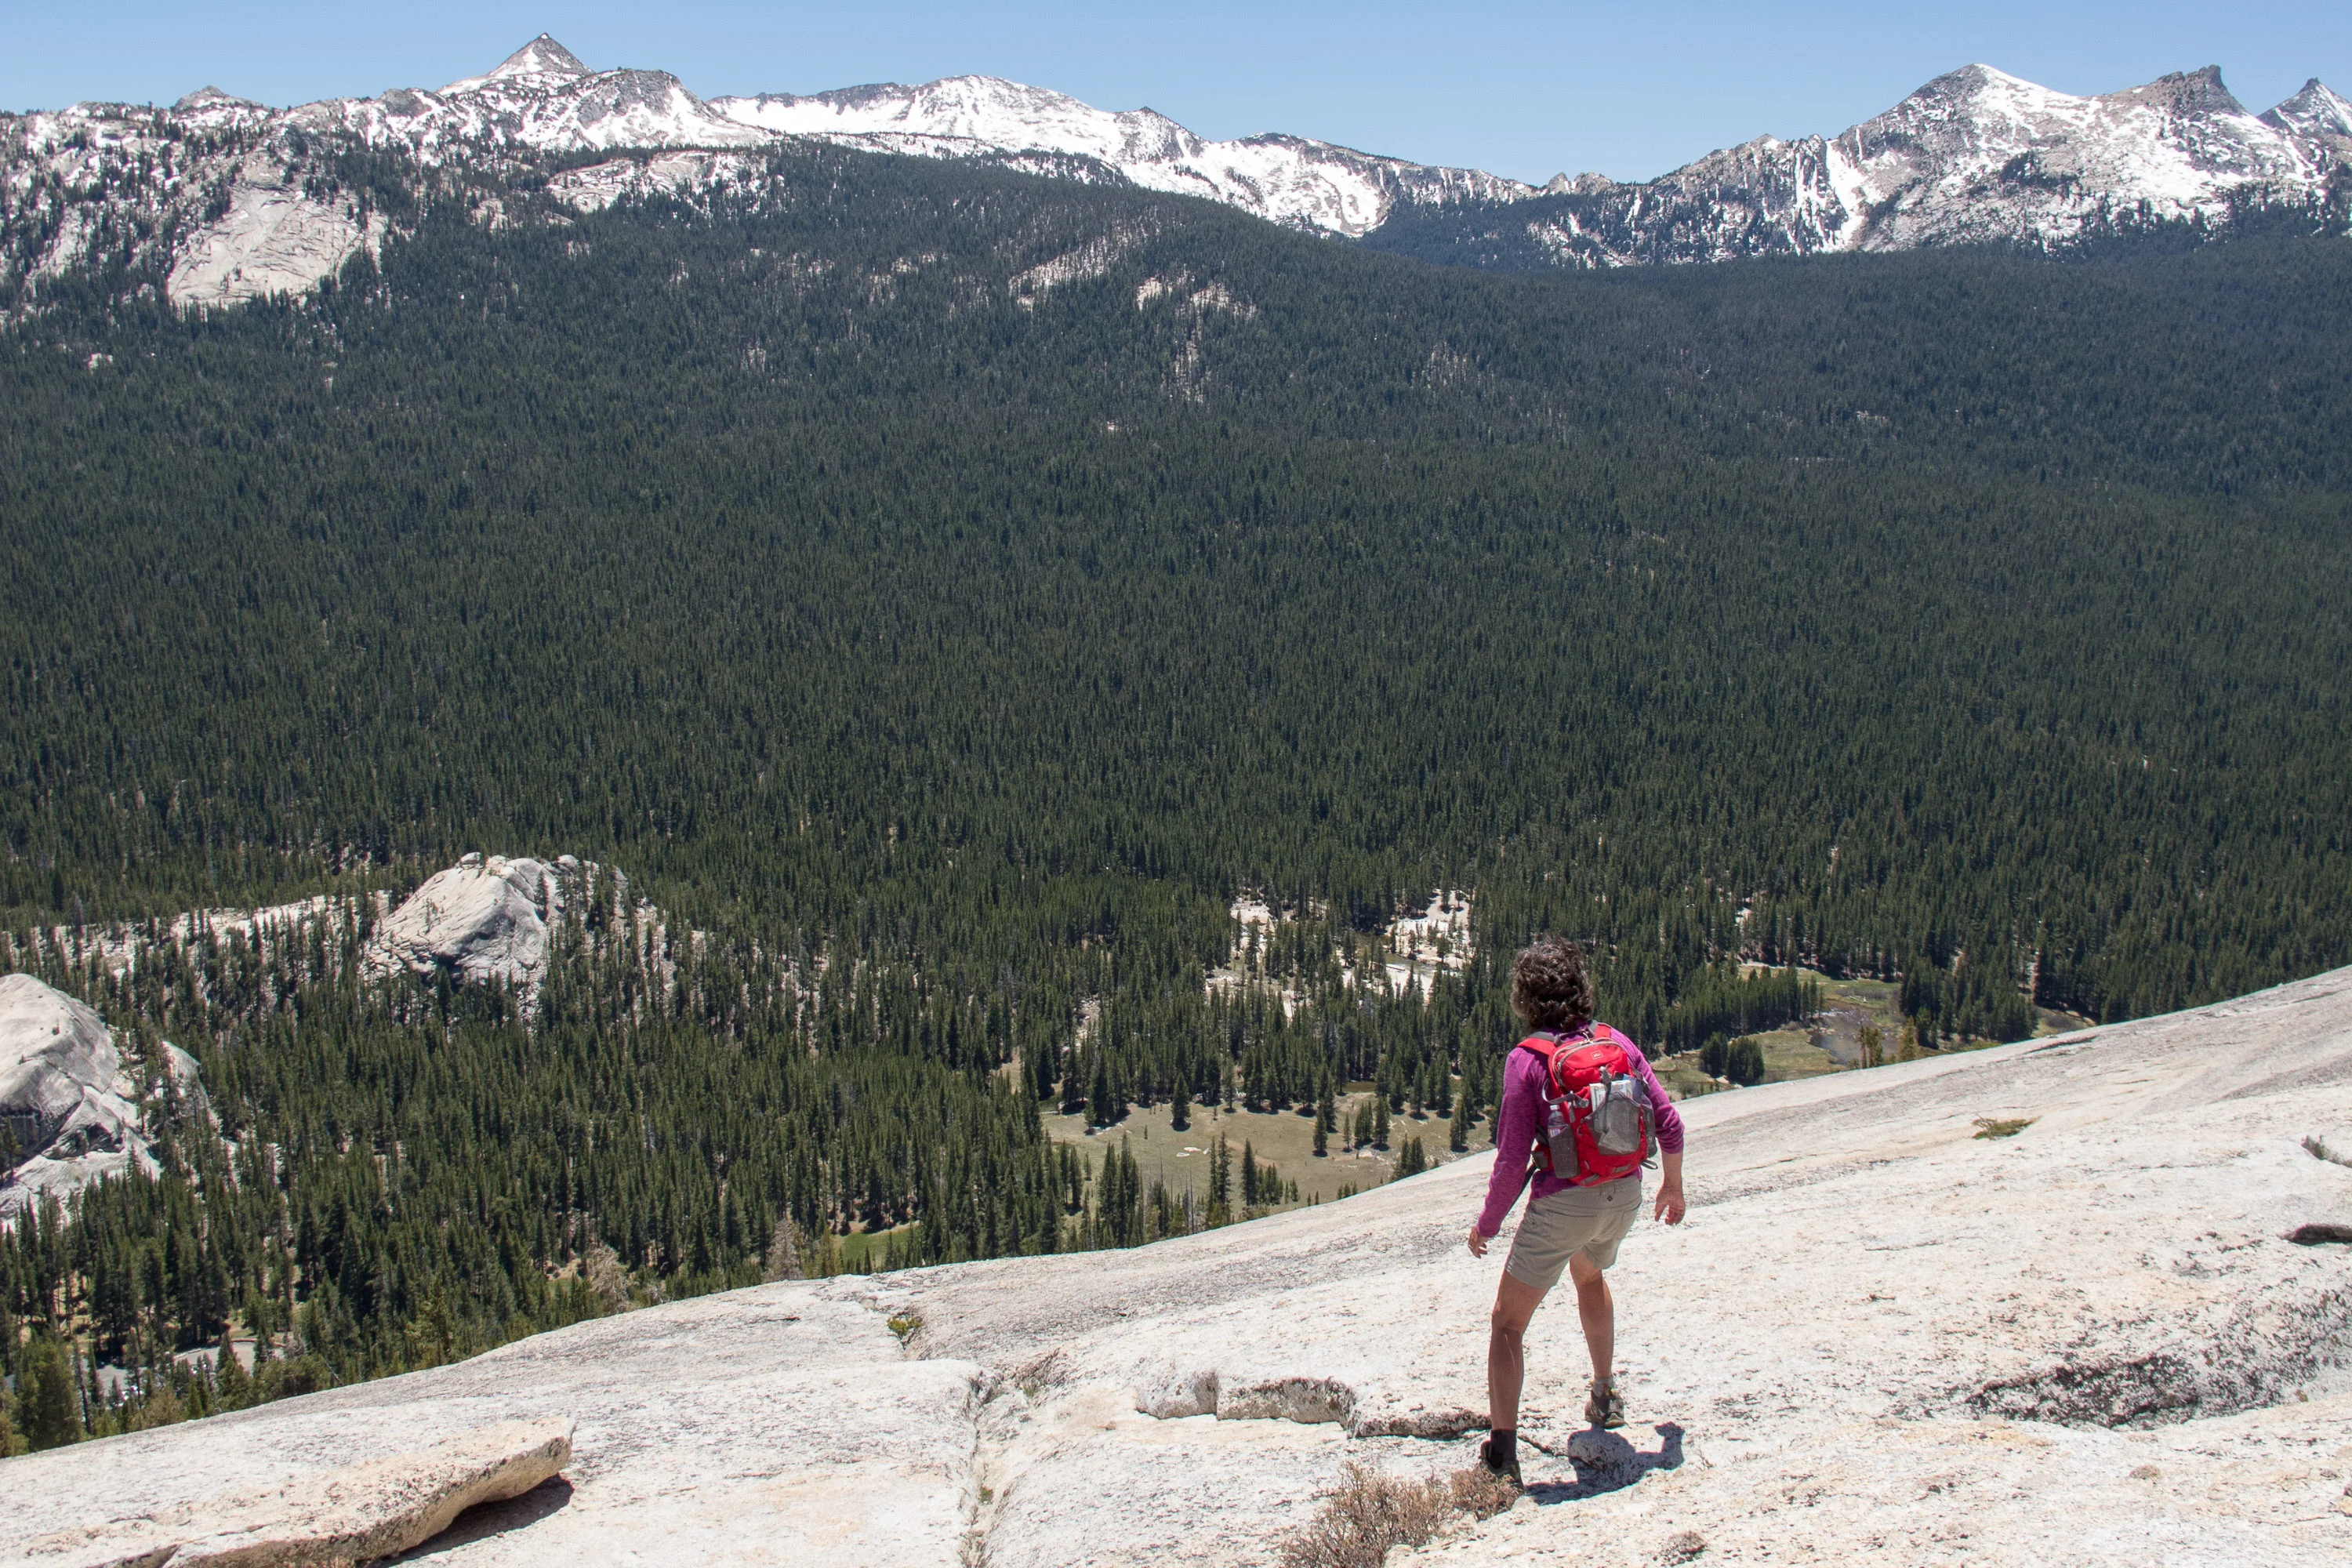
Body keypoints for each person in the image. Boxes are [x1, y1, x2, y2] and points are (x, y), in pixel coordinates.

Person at [1468, 935, 1686, 1483]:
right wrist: (1673, 1189)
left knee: (1507, 1325)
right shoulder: (1617, 1042)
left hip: (1565, 1202)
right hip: (1625, 1193)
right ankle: (1605, 1395)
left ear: (1526, 998)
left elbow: (1513, 1159)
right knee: (1589, 1275)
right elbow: (1670, 1123)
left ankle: (1503, 1456)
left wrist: (1486, 1226)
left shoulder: (1527, 1061)